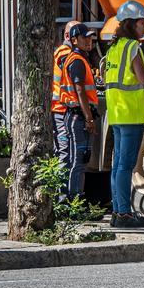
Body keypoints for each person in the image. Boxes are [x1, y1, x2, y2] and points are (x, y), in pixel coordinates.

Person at [103, 0, 144, 228]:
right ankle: (124, 213)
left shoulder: (113, 47)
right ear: (132, 24)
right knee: (125, 166)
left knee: (118, 166)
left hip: (116, 112)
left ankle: (118, 210)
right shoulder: (133, 47)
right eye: (143, 22)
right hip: (131, 113)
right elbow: (142, 78)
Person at [50, 23, 99, 199]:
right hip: (68, 112)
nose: (89, 40)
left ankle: (69, 199)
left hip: (67, 111)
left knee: (75, 158)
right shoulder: (71, 57)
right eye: (84, 37)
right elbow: (79, 90)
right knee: (73, 158)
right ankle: (67, 199)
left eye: (90, 37)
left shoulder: (76, 58)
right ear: (71, 38)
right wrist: (89, 118)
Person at [52, 19, 80, 167]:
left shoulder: (66, 51)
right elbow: (72, 74)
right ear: (68, 36)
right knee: (65, 151)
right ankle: (61, 189)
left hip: (62, 108)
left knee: (64, 151)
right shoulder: (65, 52)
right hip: (61, 108)